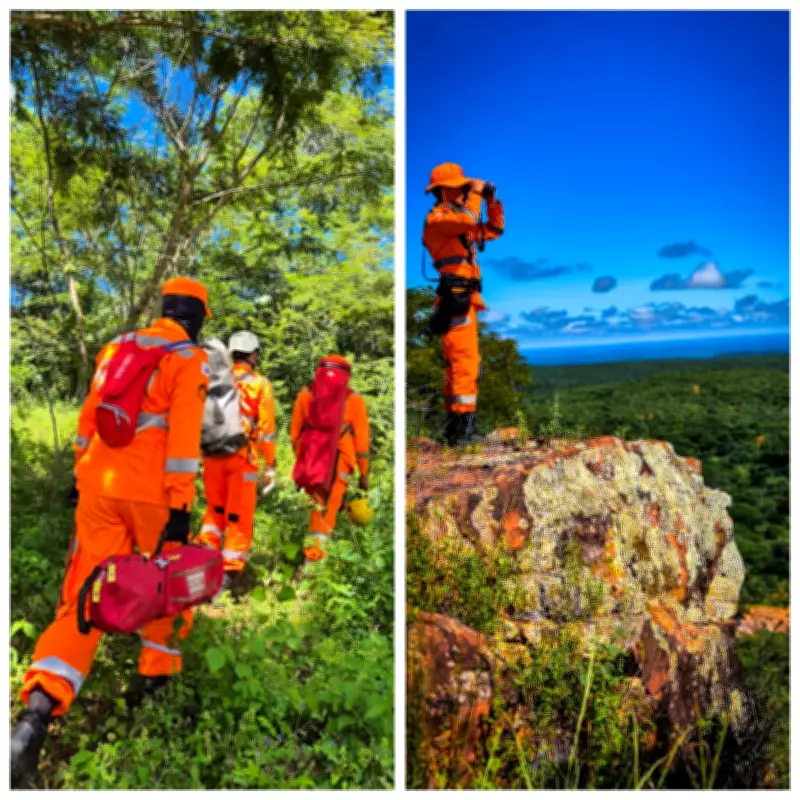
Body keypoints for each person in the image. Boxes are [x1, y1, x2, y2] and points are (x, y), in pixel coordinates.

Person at [10, 277, 212, 787]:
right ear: (198, 318)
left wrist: (82, 474)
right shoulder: (189, 359)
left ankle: (35, 716)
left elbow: (88, 418)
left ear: (165, 308)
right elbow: (185, 437)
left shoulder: (116, 347)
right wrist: (182, 505)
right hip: (153, 496)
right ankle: (152, 682)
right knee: (165, 587)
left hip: (98, 486)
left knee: (81, 594)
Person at [423, 162, 505, 446]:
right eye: (458, 187)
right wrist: (476, 194)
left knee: (463, 364)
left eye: (464, 187)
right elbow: (470, 220)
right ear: (444, 191)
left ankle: (456, 429)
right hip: (455, 297)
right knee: (464, 364)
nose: (463, 191)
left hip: (465, 298)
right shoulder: (439, 219)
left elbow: (494, 229)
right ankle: (462, 433)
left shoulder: (459, 223)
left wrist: (492, 201)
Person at [196, 331, 276, 592]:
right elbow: (266, 430)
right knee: (238, 518)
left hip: (212, 457)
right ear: (253, 355)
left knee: (214, 513)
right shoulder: (259, 384)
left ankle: (198, 570)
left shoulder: (216, 380)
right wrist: (271, 465)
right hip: (242, 460)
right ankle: (225, 581)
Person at [290, 355, 370, 562]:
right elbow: (362, 442)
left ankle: (311, 554)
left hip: (312, 458)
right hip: (341, 462)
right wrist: (364, 473)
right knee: (329, 511)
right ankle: (316, 559)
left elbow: (294, 434)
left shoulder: (306, 394)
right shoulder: (354, 400)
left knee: (316, 508)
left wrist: (302, 459)